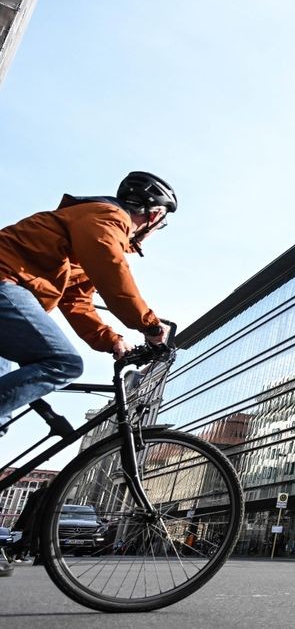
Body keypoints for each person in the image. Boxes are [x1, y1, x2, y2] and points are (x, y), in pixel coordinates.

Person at [0, 172, 176, 438]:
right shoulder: (108, 217)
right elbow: (112, 273)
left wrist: (111, 339)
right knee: (63, 363)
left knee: (3, 410)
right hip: (5, 282)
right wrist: (150, 326)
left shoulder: (84, 224)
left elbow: (77, 300)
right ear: (154, 215)